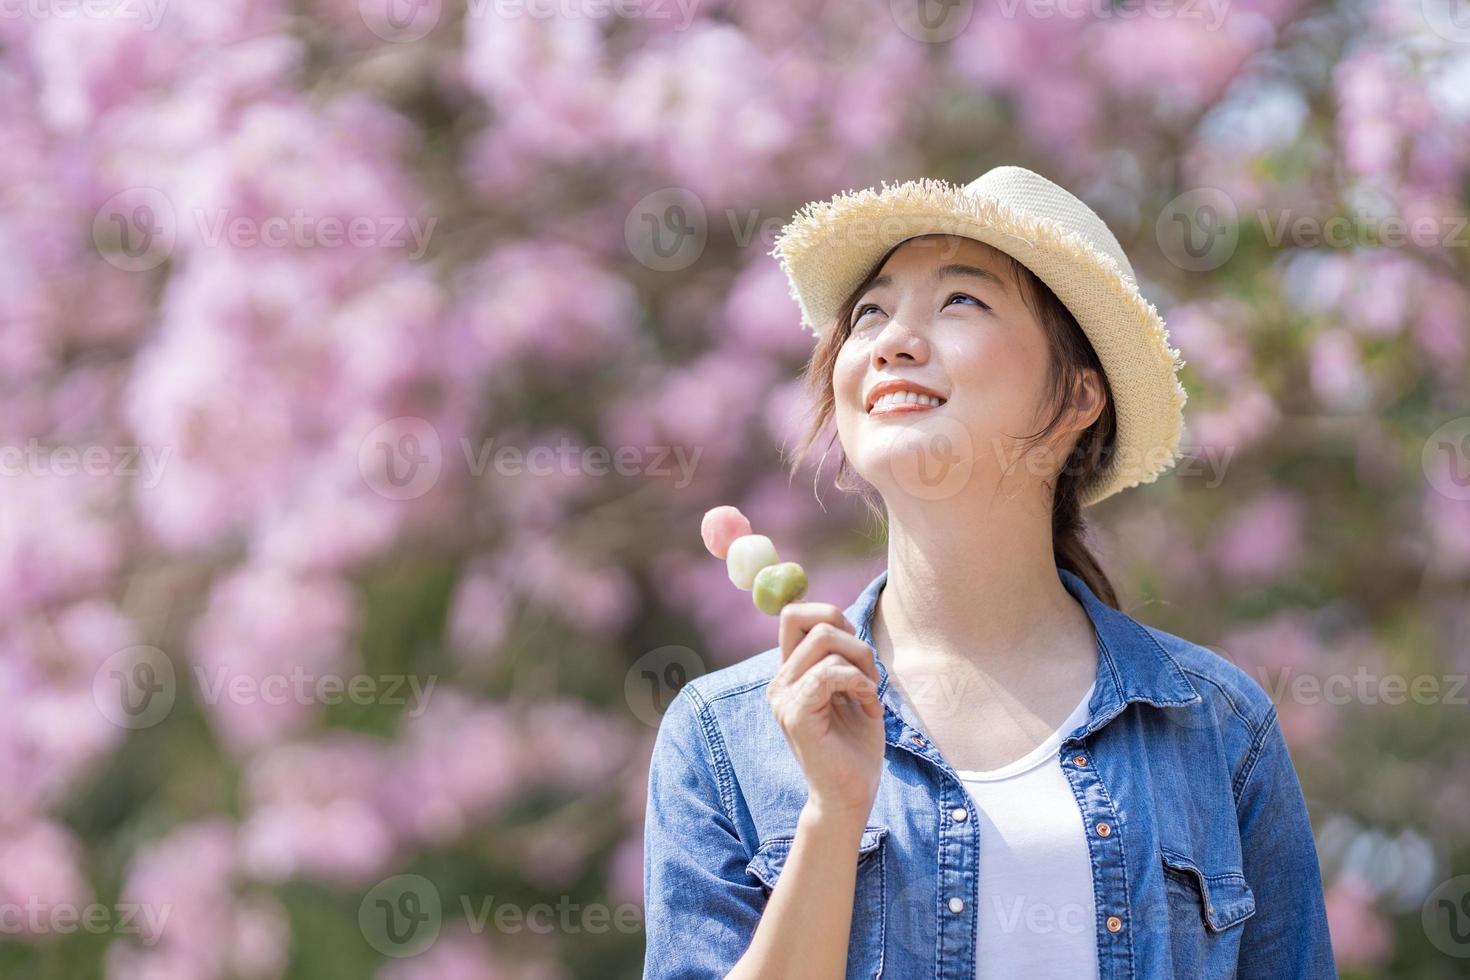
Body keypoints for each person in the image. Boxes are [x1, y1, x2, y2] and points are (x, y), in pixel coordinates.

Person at [642, 166, 1337, 979]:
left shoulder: (1216, 728)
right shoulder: (725, 737)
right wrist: (832, 814)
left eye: (960, 301)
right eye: (870, 312)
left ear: (1079, 398)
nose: (893, 341)